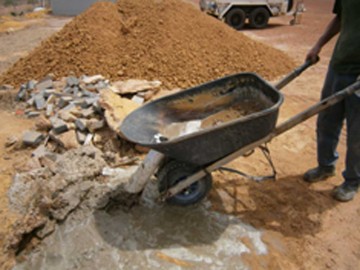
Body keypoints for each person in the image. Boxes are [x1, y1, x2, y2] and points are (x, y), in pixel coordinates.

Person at [303, 0, 360, 202]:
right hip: (338, 65)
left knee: (356, 135)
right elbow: (340, 18)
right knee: (327, 120)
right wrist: (318, 45)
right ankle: (325, 166)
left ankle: (352, 181)